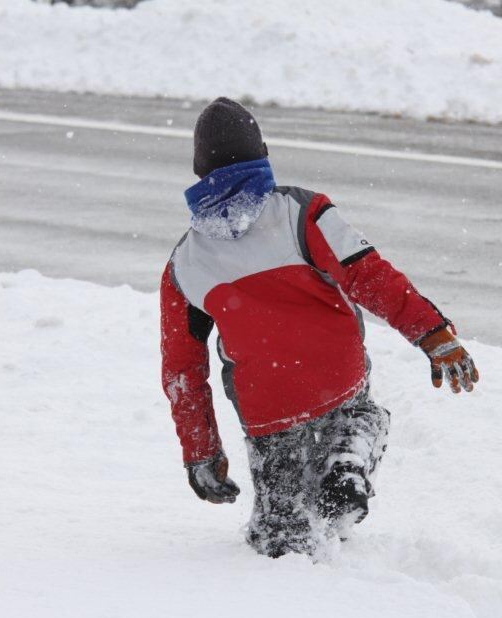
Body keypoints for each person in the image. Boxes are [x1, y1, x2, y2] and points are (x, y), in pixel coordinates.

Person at [160, 97, 479, 558]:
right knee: (365, 416)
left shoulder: (183, 264)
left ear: (198, 169)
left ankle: (288, 548)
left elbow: (182, 371)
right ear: (262, 154)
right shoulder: (304, 213)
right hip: (337, 374)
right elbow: (371, 277)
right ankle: (350, 456)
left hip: (266, 403)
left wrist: (201, 451)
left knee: (280, 537)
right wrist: (432, 334)